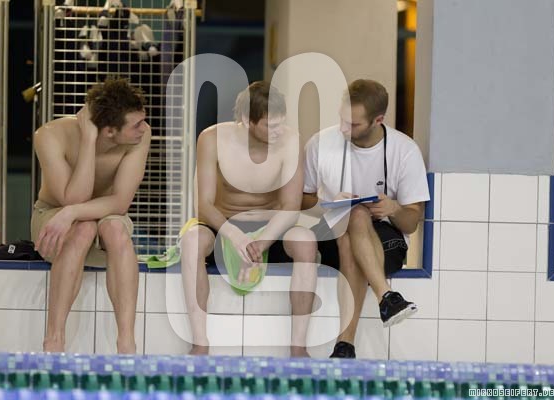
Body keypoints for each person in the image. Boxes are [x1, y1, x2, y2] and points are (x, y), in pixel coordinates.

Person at [179, 81, 318, 357]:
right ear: (246, 120)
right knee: (192, 241)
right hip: (222, 223)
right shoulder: (212, 139)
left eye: (281, 123)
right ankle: (200, 343)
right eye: (270, 125)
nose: (278, 131)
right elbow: (203, 205)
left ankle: (298, 347)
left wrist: (259, 244)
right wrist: (235, 237)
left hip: (271, 225)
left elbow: (291, 206)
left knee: (306, 241)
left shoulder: (291, 141)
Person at [302, 79, 430, 358]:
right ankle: (386, 297)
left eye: (353, 124)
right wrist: (328, 204)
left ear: (378, 120)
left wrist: (393, 208)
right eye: (342, 119)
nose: (344, 129)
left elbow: (411, 223)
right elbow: (302, 199)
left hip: (384, 240)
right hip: (332, 232)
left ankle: (345, 345)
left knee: (357, 217)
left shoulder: (404, 151)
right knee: (355, 214)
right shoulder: (320, 143)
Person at [31, 77, 151, 353]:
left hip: (103, 214)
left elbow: (120, 202)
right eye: (136, 124)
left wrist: (73, 212)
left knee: (116, 230)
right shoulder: (49, 135)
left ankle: (126, 343)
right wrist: (88, 141)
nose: (144, 128)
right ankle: (54, 339)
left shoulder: (140, 137)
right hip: (54, 217)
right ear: (109, 131)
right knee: (83, 228)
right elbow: (72, 198)